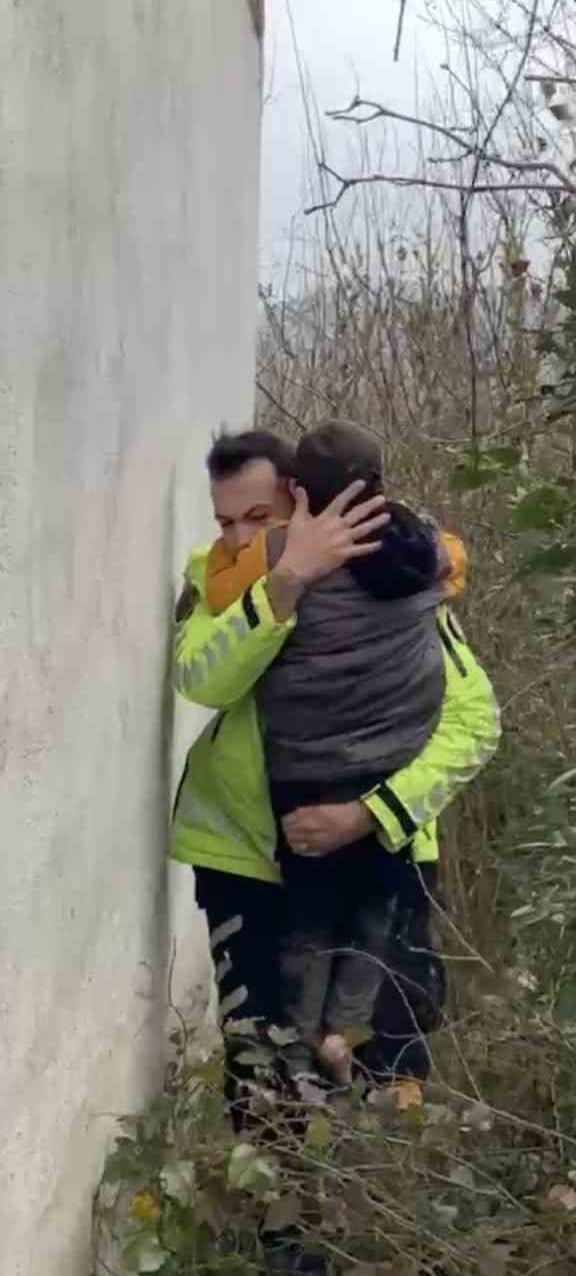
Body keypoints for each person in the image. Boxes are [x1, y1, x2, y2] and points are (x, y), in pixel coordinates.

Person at [169, 429, 500, 1126]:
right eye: (224, 521)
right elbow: (204, 679)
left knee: (381, 1066)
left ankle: (378, 1222)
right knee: (265, 1078)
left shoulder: (390, 579)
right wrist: (285, 581)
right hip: (246, 863)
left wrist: (369, 813)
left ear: (303, 503)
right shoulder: (225, 576)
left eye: (258, 520)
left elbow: (473, 724)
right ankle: (278, 1230)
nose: (236, 537)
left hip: (385, 852)